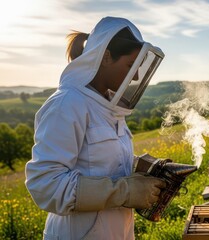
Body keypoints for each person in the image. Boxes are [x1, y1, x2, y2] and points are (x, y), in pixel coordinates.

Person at [25, 16, 166, 240]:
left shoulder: (107, 106)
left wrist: (136, 165)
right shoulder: (67, 104)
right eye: (130, 66)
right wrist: (126, 191)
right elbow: (46, 185)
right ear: (106, 57)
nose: (136, 76)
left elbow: (95, 162)